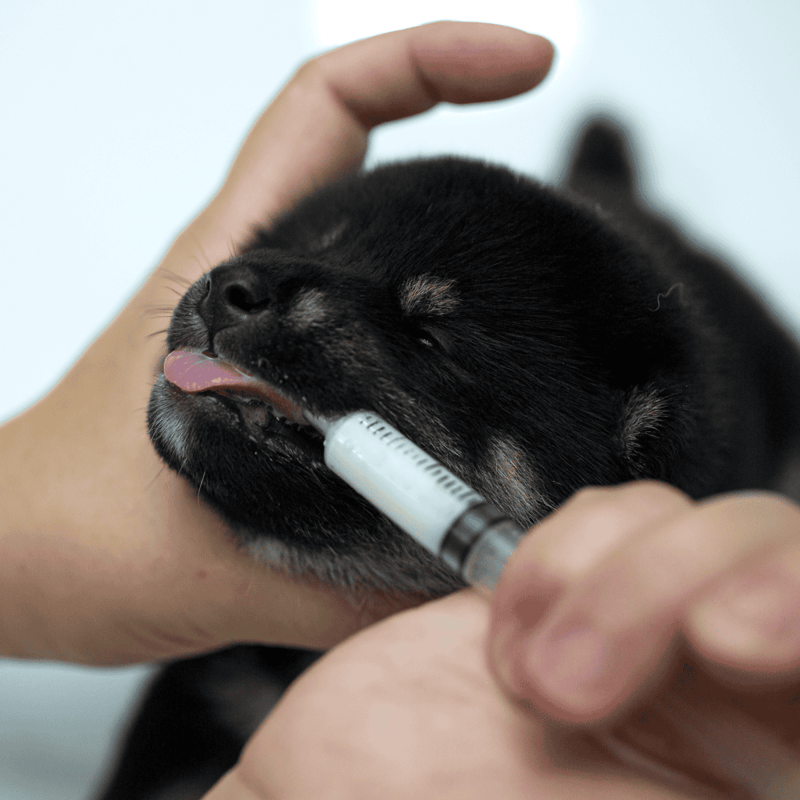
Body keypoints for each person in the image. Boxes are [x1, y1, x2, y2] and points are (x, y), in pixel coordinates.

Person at [1, 20, 799, 800]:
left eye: (428, 338)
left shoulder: (665, 458)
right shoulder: (213, 620)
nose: (240, 283)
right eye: (322, 249)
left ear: (622, 452)